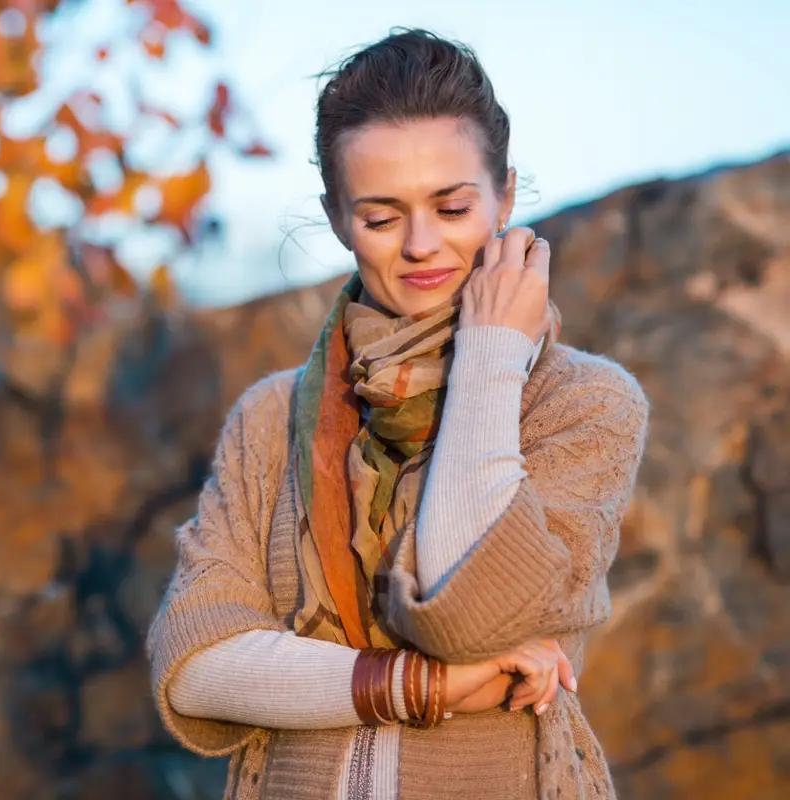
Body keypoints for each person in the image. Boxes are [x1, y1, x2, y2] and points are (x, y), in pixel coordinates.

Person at [147, 28, 649, 800]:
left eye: (452, 207)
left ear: (505, 197)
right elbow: (196, 666)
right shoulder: (271, 417)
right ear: (338, 216)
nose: (421, 245)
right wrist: (419, 686)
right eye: (381, 218)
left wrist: (487, 356)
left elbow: (470, 614)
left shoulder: (581, 403)